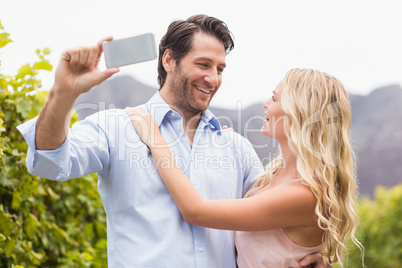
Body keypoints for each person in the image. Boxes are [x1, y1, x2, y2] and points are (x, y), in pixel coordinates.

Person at [18, 14, 330, 267]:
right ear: (169, 60)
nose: (214, 78)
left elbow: (277, 220)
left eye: (220, 68)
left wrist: (317, 258)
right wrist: (64, 94)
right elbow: (48, 162)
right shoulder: (118, 126)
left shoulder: (235, 147)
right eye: (203, 64)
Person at [128, 68, 364, 267]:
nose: (265, 103)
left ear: (299, 113)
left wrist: (155, 139)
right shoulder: (276, 176)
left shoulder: (303, 195)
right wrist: (221, 145)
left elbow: (194, 211)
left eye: (274, 98)